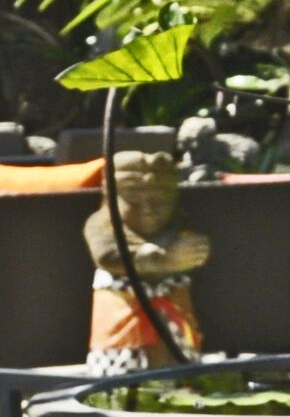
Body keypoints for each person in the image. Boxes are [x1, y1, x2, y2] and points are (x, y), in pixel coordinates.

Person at [82, 149, 210, 374]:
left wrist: (193, 253)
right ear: (110, 194)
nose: (149, 210)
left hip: (173, 322)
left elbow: (187, 248)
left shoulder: (178, 225)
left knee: (177, 366)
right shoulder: (101, 225)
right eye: (133, 198)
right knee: (122, 375)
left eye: (160, 200)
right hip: (123, 326)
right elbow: (107, 257)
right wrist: (162, 259)